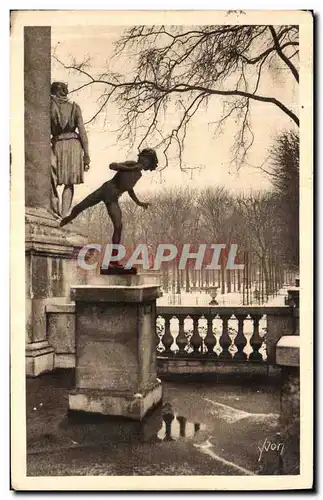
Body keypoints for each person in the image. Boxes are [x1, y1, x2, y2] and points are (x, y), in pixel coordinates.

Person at [60, 148, 158, 267]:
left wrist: (139, 203)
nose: (145, 162)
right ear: (140, 157)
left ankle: (114, 259)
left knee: (118, 226)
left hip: (113, 198)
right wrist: (131, 168)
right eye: (145, 158)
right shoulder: (131, 164)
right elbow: (112, 165)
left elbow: (129, 188)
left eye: (148, 160)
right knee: (79, 208)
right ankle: (63, 222)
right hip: (105, 190)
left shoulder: (138, 174)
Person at [50, 81, 90, 218]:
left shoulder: (50, 105)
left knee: (54, 179)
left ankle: (58, 212)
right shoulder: (74, 106)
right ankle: (64, 213)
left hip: (58, 143)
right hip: (74, 145)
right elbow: (83, 132)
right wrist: (87, 155)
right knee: (69, 182)